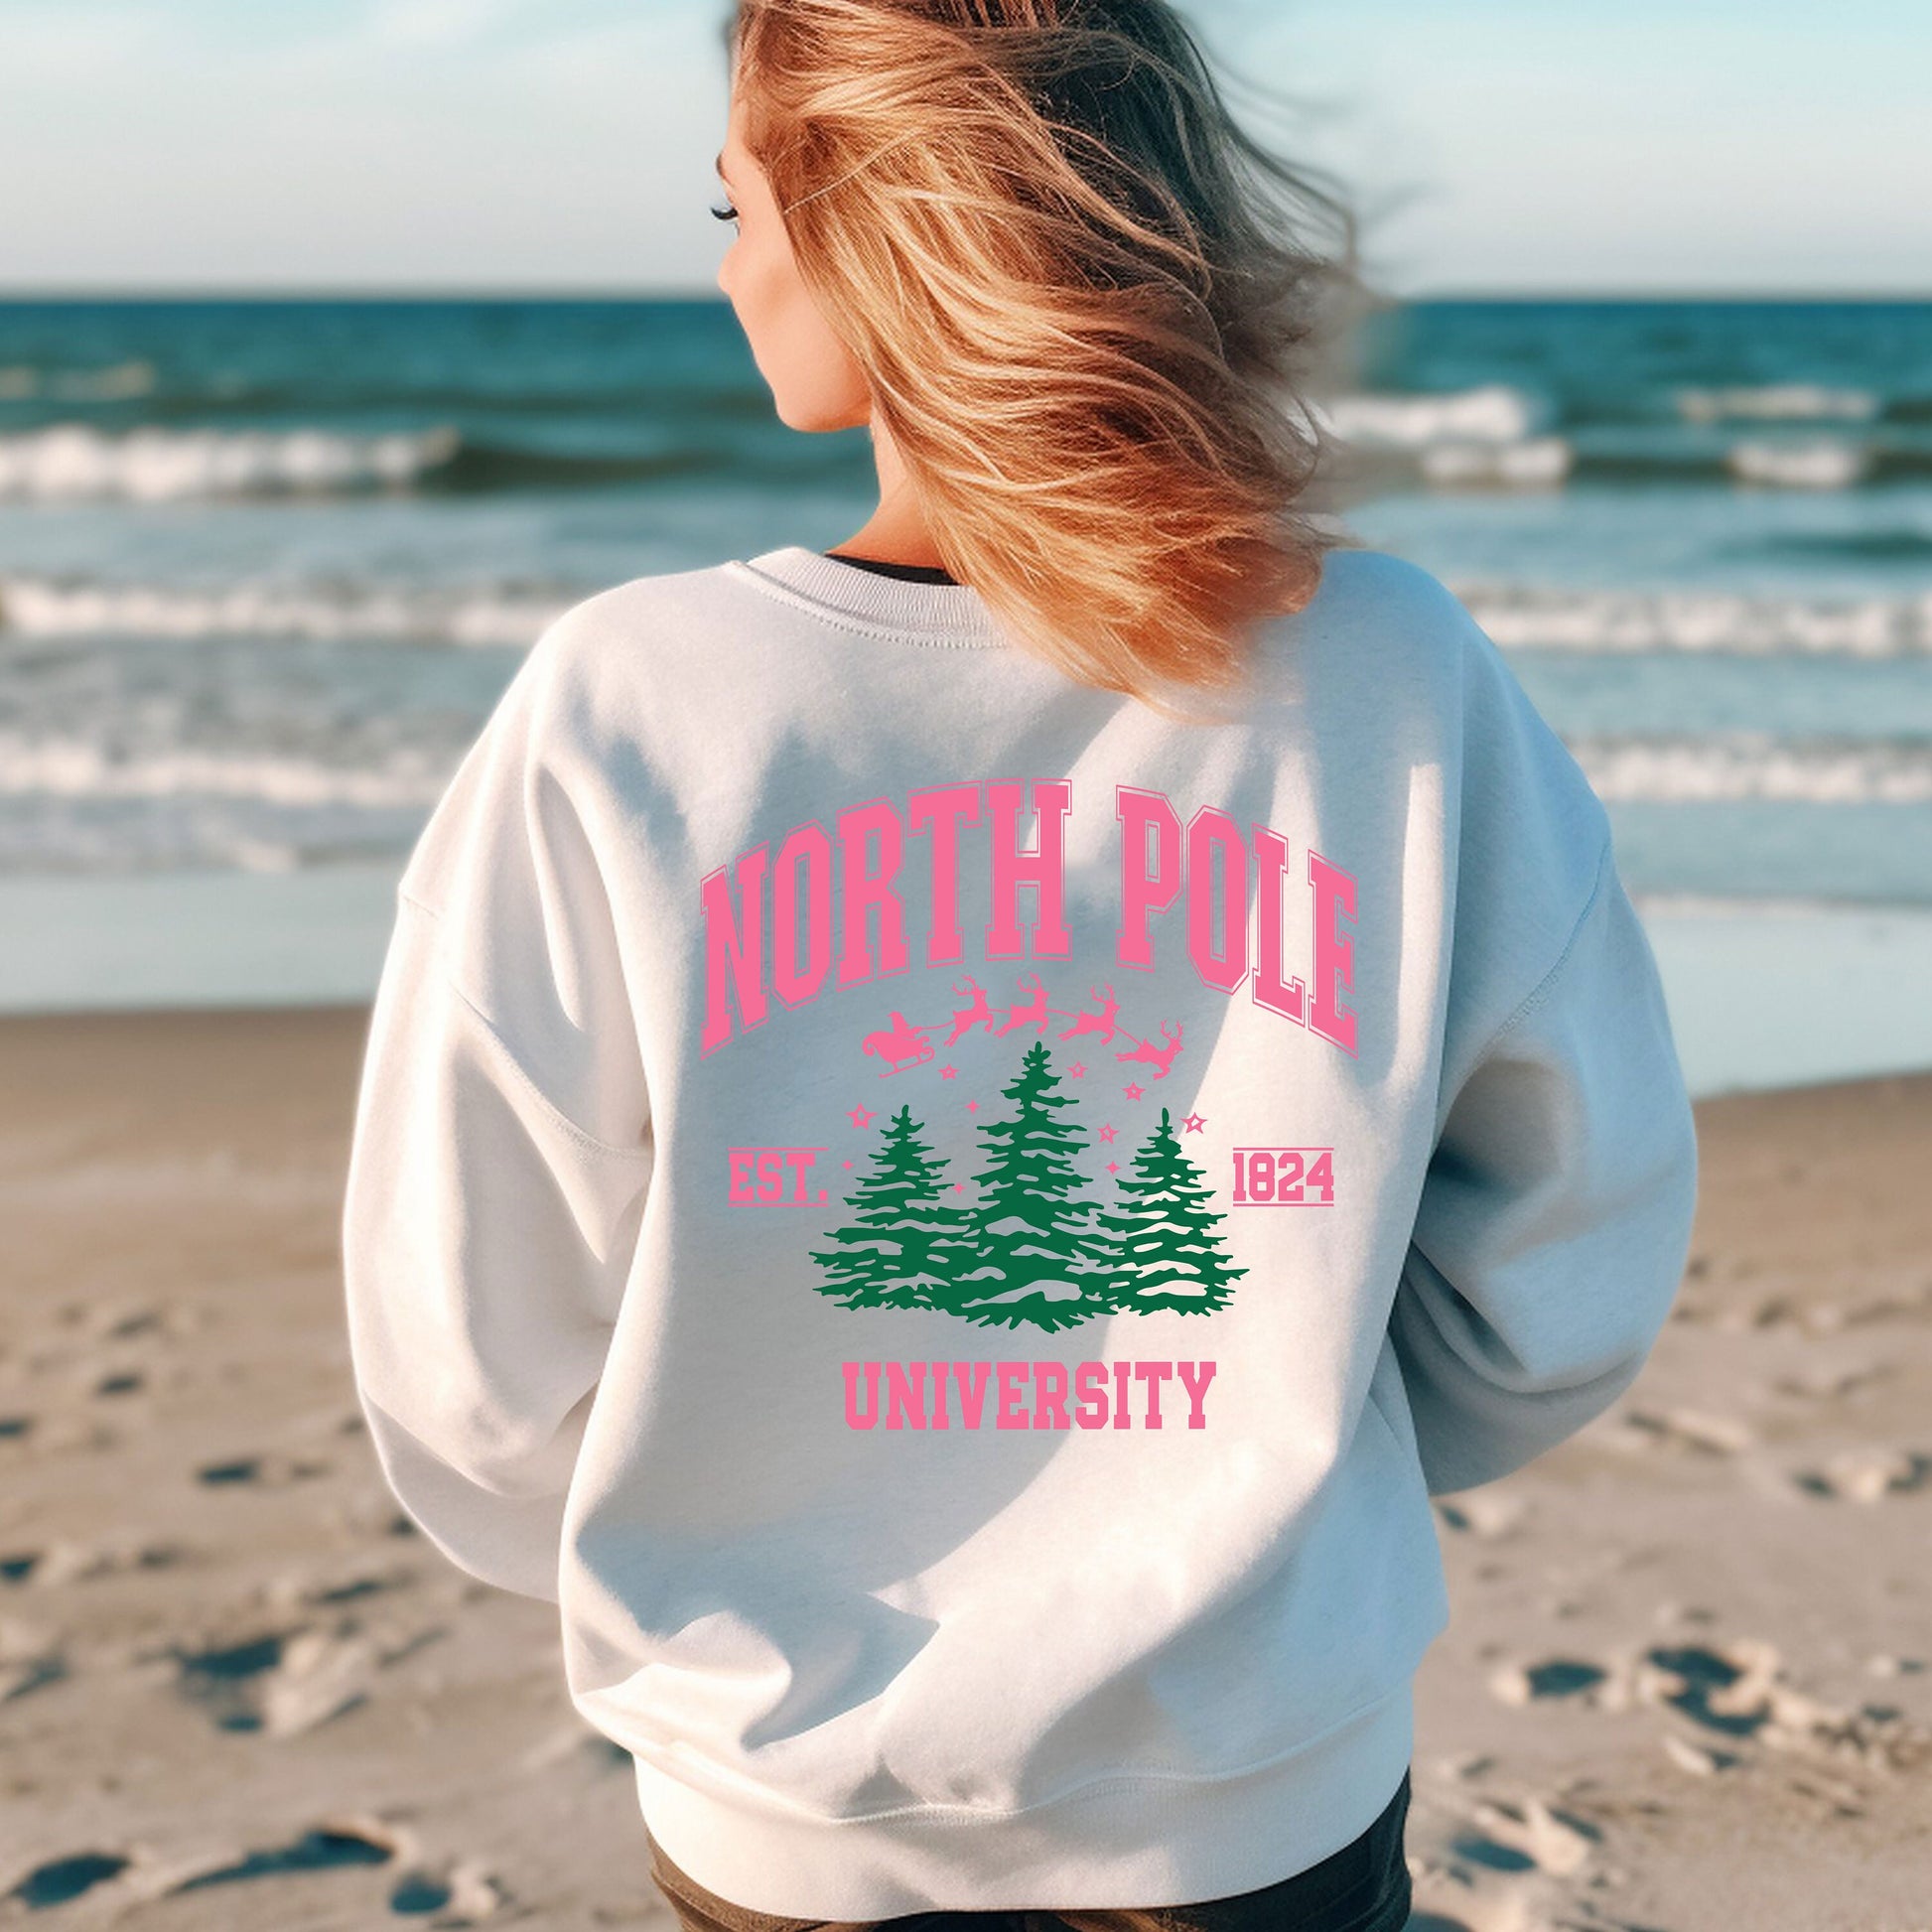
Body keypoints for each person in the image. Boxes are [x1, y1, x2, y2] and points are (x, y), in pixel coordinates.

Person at [340, 4, 1701, 1929]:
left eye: (734, 207)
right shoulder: (1389, 685)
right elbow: (1566, 1251)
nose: (728, 269)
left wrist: (734, 1522)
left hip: (779, 1796)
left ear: (881, 223)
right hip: (1256, 1778)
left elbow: (473, 1359)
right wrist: (1283, 1462)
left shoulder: (637, 709)